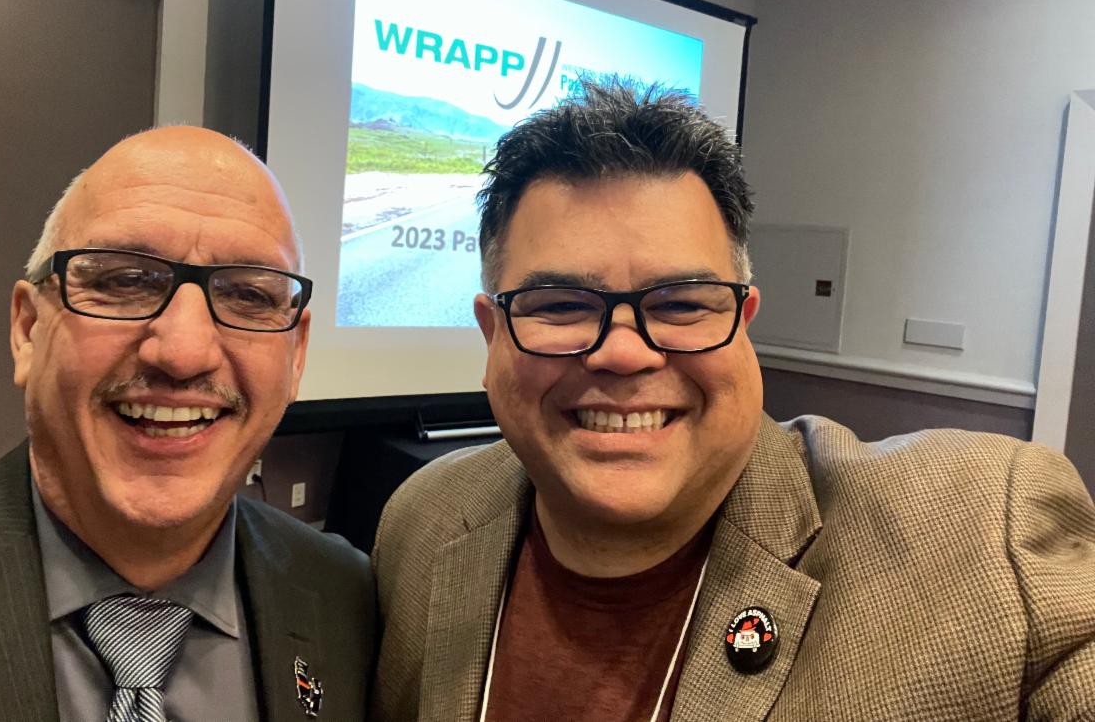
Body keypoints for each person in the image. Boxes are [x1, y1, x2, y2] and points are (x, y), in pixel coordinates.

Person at [369, 81, 1095, 721]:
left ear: (743, 323)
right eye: (560, 305)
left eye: (682, 303)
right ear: (492, 334)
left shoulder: (985, 537)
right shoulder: (422, 523)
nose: (624, 353)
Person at [0, 127, 374, 722]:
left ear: (296, 356)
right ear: (28, 330)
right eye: (124, 281)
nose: (183, 352)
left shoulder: (347, 599)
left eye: (249, 296)